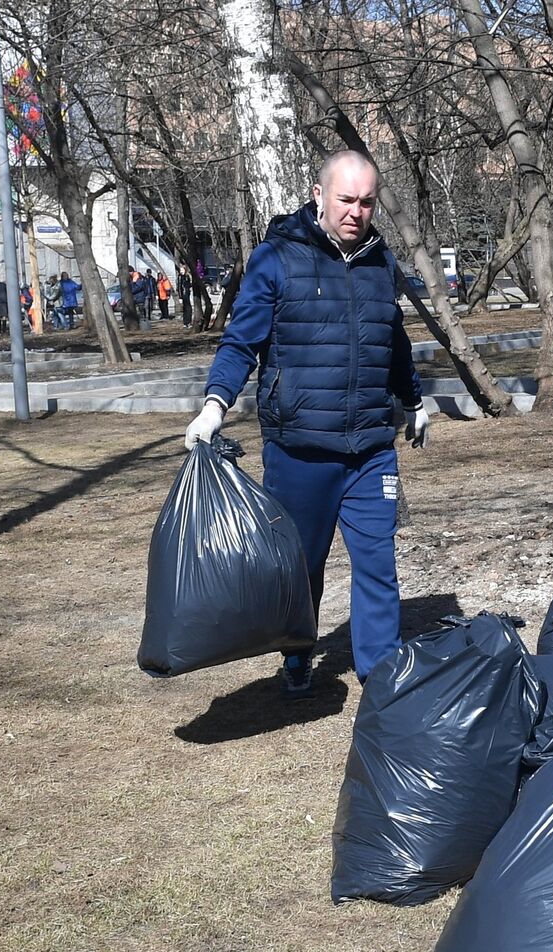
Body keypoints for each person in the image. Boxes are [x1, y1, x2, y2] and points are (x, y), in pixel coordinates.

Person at [184, 148, 428, 696]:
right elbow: (240, 342)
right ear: (318, 195)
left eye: (367, 202)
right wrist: (214, 406)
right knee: (302, 566)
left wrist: (414, 402)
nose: (356, 212)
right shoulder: (276, 259)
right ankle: (297, 652)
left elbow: (394, 342)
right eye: (346, 200)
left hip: (370, 448)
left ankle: (380, 677)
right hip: (299, 449)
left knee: (377, 565)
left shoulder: (380, 262)